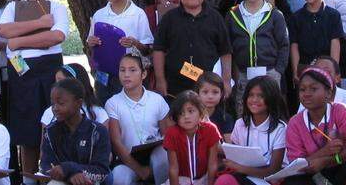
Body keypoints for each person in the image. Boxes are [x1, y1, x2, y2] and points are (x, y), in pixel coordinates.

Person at [0, 0, 70, 180]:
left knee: (56, 123)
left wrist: (17, 42)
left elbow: (56, 37)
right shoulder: (13, 8)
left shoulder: (56, 8)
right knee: (27, 128)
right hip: (21, 70)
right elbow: (4, 30)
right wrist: (39, 23)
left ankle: (56, 176)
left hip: (50, 69)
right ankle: (28, 179)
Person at [153, 0, 232, 98]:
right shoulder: (169, 18)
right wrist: (160, 79)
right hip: (175, 85)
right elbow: (158, 50)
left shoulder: (215, 17)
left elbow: (225, 51)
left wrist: (226, 80)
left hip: (208, 87)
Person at [282, 68, 346, 185]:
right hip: (312, 173)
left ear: (328, 93)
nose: (307, 94)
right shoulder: (295, 122)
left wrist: (327, 161)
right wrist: (325, 151)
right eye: (302, 89)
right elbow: (297, 164)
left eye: (313, 89)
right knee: (293, 181)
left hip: (341, 167)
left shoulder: (341, 110)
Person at [226, 0, 289, 115]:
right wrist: (234, 74)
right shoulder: (232, 15)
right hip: (243, 73)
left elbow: (284, 45)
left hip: (270, 72)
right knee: (244, 112)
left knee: (272, 111)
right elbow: (227, 47)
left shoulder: (275, 15)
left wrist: (278, 71)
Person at [86, 0, 154, 103]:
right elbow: (90, 45)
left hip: (127, 74)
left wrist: (134, 43)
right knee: (104, 106)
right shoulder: (99, 14)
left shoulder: (137, 14)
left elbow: (148, 49)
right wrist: (91, 43)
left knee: (126, 107)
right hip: (103, 73)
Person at [105, 54, 171, 185]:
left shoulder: (157, 99)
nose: (126, 75)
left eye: (132, 70)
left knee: (164, 158)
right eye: (122, 70)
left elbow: (167, 135)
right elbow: (116, 143)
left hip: (155, 151)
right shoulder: (113, 103)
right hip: (127, 158)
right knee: (119, 178)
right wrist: (140, 170)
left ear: (144, 74)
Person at [216, 76, 288, 185]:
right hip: (244, 175)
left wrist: (240, 168)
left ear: (271, 98)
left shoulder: (280, 128)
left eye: (261, 96)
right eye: (251, 95)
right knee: (224, 180)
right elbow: (235, 156)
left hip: (269, 180)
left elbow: (273, 171)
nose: (254, 100)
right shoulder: (240, 123)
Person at [39, 78, 112, 185]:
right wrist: (70, 175)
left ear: (79, 103)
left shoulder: (97, 131)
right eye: (52, 103)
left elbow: (101, 171)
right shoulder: (50, 131)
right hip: (62, 181)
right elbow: (45, 166)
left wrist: (70, 168)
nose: (55, 108)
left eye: (61, 103)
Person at [0, 0, 24, 179]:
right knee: (7, 122)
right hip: (3, 71)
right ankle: (13, 172)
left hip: (22, 69)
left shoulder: (27, 10)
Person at [288, 0, 343, 85]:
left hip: (326, 67)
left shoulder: (333, 15)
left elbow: (335, 44)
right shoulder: (296, 17)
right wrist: (295, 71)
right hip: (304, 66)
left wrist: (334, 70)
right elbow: (294, 45)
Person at [163, 91, 222, 185]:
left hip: (205, 178)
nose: (186, 116)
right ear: (176, 117)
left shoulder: (211, 129)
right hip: (181, 179)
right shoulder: (172, 133)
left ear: (200, 113)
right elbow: (173, 168)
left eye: (191, 111)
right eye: (181, 113)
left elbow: (212, 164)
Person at [42, 64, 110, 126]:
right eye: (56, 82)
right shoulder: (49, 113)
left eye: (62, 82)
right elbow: (45, 138)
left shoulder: (98, 112)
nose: (57, 87)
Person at [196, 72, 236, 139]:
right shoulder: (190, 115)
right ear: (198, 93)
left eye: (215, 92)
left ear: (221, 94)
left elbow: (229, 144)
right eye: (205, 92)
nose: (210, 96)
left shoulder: (225, 118)